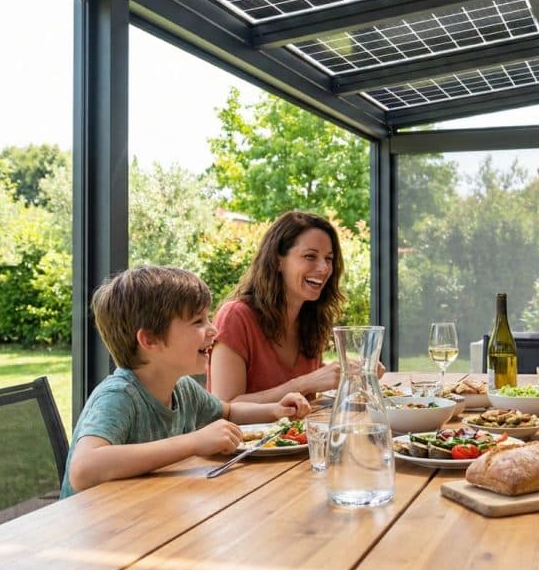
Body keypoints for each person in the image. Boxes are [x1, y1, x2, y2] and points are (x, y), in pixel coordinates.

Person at [61, 266, 310, 497]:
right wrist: (193, 442)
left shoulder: (182, 388)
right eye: (198, 322)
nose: (214, 330)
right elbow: (83, 470)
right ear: (150, 340)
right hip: (96, 532)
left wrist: (275, 410)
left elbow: (230, 411)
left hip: (146, 511)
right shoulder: (120, 396)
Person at [207, 211, 347, 403]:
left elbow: (304, 398)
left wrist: (348, 374)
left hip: (301, 433)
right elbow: (224, 406)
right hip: (244, 434)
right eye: (310, 256)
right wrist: (305, 383)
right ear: (277, 261)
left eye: (328, 259)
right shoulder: (236, 316)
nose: (324, 268)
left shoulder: (311, 318)